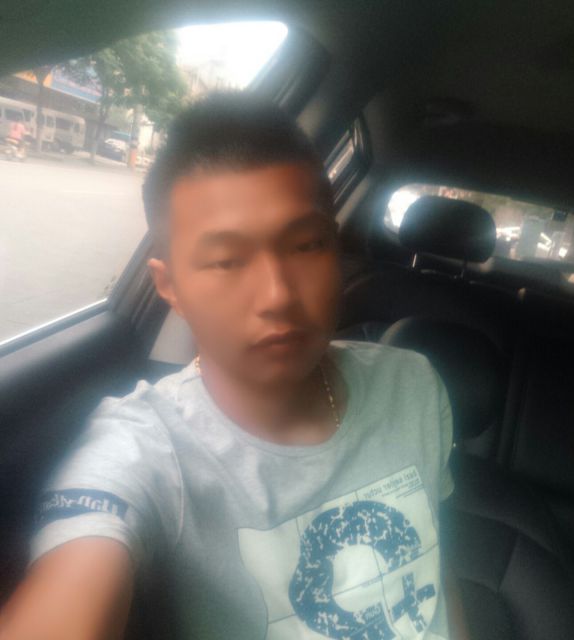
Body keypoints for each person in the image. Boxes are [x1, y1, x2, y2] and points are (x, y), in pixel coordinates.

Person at [0, 93, 469, 640]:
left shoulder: (412, 384)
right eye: (226, 260)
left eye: (306, 245)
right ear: (170, 286)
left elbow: (435, 572)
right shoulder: (148, 452)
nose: (277, 295)